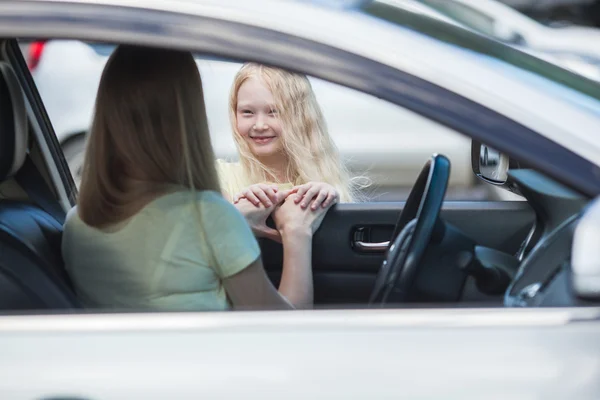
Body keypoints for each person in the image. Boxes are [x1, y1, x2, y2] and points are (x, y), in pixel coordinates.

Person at [62, 46, 332, 311]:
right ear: (188, 119)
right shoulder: (209, 218)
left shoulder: (76, 224)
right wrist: (296, 231)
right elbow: (283, 329)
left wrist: (237, 221)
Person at [218, 62, 363, 242]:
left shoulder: (320, 185)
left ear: (301, 117)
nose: (260, 125)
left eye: (274, 112)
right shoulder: (218, 176)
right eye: (247, 112)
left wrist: (328, 201)